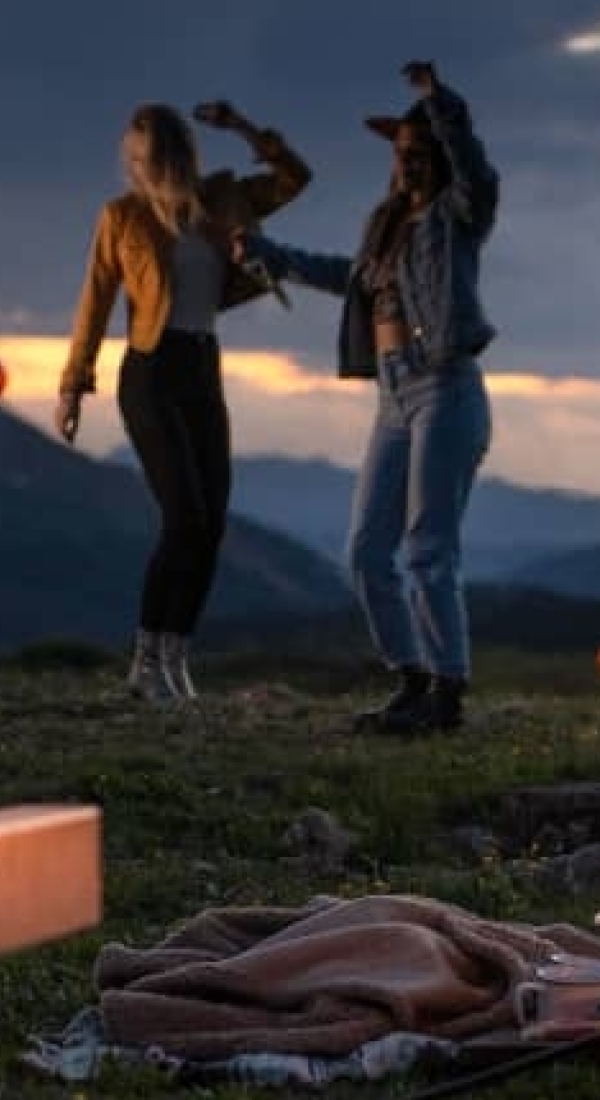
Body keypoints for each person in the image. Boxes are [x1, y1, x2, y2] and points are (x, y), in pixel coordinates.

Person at [235, 61, 498, 736]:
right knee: (365, 549)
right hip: (393, 393)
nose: (407, 165)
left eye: (418, 154)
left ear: (438, 153)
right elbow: (349, 281)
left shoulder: (456, 215)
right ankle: (410, 679)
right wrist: (274, 254)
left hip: (445, 383)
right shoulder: (385, 223)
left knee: (427, 548)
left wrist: (441, 103)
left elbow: (477, 173)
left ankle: (447, 691)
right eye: (401, 155)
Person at [57, 100, 309, 703]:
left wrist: (247, 129)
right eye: (134, 158)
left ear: (178, 155)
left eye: (151, 157)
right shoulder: (121, 218)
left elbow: (294, 179)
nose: (140, 168)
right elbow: (93, 301)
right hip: (150, 371)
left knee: (212, 522)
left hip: (202, 364)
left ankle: (176, 655)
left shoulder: (223, 200)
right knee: (184, 518)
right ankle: (145, 660)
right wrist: (73, 384)